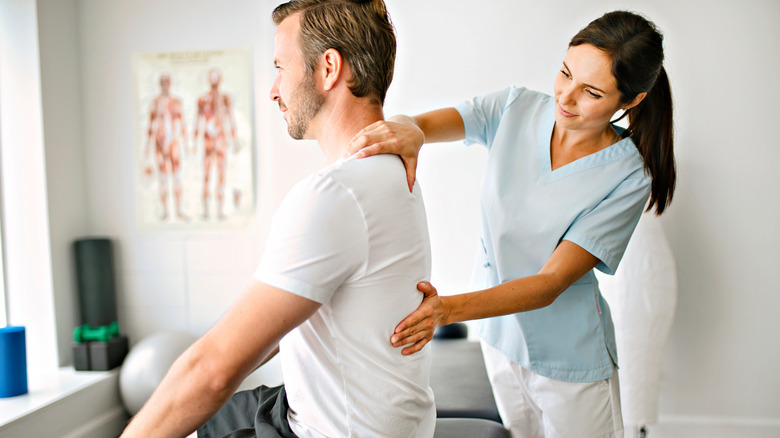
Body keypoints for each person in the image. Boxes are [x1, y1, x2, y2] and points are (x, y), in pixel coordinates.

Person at [348, 10, 676, 438]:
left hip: (569, 362)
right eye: (564, 73)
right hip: (501, 342)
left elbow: (550, 283)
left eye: (591, 92)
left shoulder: (627, 177)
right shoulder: (515, 108)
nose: (566, 97)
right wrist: (409, 129)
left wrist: (445, 309)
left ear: (630, 102)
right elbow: (425, 124)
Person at [120, 1, 435, 437]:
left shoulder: (335, 195)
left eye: (280, 68)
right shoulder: (395, 171)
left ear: (328, 68)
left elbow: (213, 370)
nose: (273, 90)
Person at [193, 68, 239, 220]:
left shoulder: (225, 98)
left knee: (221, 175)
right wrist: (194, 141)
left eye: (216, 78)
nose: (214, 81)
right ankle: (206, 211)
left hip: (220, 139)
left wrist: (235, 139)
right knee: (206, 175)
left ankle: (219, 211)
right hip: (208, 139)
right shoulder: (202, 99)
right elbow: (198, 121)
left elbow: (231, 119)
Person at [143, 73, 189, 221]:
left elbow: (181, 122)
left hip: (173, 143)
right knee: (163, 178)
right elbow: (150, 125)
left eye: (167, 82)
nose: (165, 84)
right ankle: (164, 211)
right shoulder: (155, 102)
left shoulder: (176, 102)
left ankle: (179, 210)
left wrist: (186, 143)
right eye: (162, 82)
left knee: (177, 177)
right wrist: (148, 145)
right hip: (159, 143)